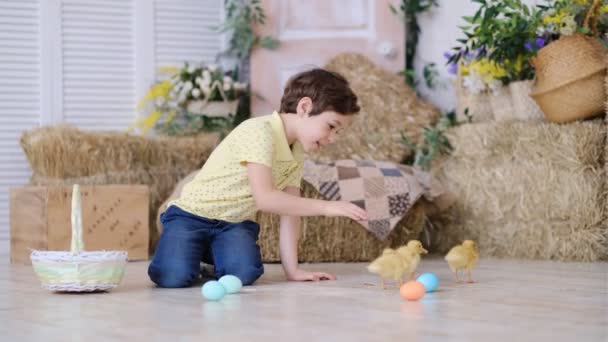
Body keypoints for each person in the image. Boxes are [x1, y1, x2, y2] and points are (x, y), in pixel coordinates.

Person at [148, 68, 368, 288]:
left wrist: (293, 271)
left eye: (338, 133)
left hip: (233, 224)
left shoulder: (296, 152)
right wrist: (328, 207)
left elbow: (290, 213)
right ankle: (183, 248)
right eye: (331, 127)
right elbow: (266, 198)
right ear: (304, 107)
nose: (333, 139)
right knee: (173, 276)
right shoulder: (259, 131)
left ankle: (204, 255)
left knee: (244, 274)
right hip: (191, 216)